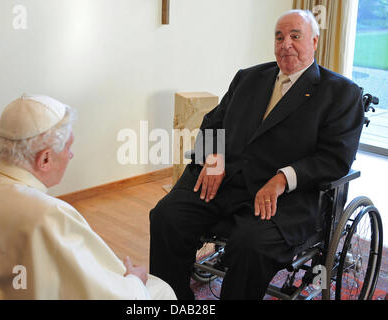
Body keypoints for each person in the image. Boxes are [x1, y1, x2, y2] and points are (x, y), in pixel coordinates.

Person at [149, 10, 364, 300]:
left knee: (250, 244)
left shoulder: (341, 93)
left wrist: (283, 178)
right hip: (226, 183)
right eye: (279, 37)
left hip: (284, 199)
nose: (285, 43)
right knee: (166, 216)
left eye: (295, 36)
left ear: (314, 41)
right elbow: (213, 122)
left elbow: (335, 158)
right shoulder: (248, 77)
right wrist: (213, 156)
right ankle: (173, 300)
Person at [0, 94, 176, 300]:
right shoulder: (47, 213)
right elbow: (109, 294)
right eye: (68, 147)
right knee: (160, 290)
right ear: (45, 159)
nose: (71, 155)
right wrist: (134, 282)